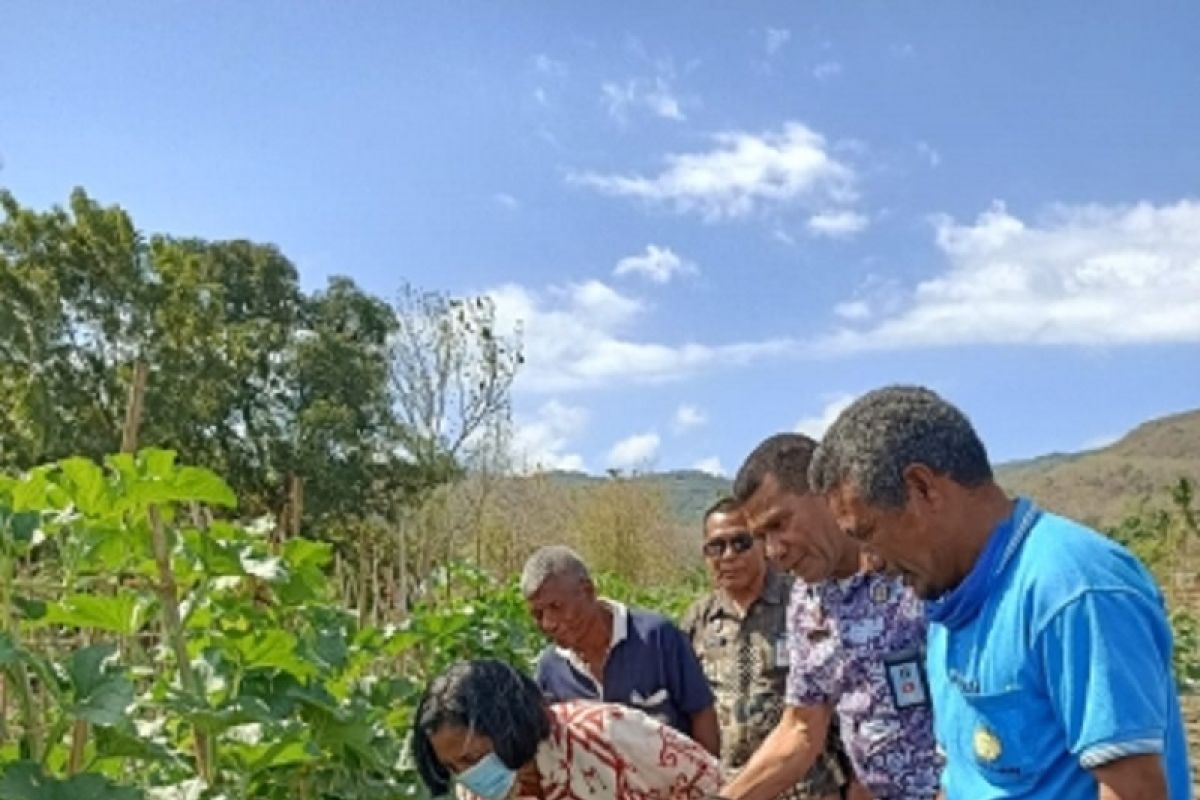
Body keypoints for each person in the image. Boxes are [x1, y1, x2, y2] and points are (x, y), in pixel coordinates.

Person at [809, 385, 1193, 799]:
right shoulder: (950, 604)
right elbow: (965, 779)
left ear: (922, 487)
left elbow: (1135, 789)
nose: (872, 562)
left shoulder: (1072, 588)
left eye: (868, 534)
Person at [719, 434, 941, 800]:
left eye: (779, 524)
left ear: (825, 493)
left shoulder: (913, 570)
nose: (774, 551)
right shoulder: (806, 604)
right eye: (761, 537)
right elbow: (802, 728)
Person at [681, 498, 848, 800]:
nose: (728, 556)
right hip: (731, 787)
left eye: (740, 542)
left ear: (762, 543)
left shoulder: (802, 604)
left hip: (806, 787)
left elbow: (844, 697)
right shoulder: (697, 620)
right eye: (716, 547)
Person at [411, 658, 723, 800]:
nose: (469, 776)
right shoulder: (474, 793)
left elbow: (717, 785)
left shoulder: (607, 732)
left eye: (472, 758)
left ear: (509, 727)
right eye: (452, 768)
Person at [520, 545, 721, 755]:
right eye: (537, 614)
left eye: (556, 607)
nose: (548, 623)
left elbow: (701, 713)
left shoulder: (657, 637)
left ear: (588, 591)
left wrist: (707, 783)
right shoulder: (551, 669)